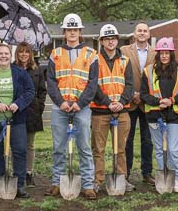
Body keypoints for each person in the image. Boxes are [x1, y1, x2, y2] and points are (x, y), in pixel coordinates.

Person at [45, 13, 99, 200]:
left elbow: (93, 83)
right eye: (69, 29)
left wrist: (79, 103)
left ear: (80, 31)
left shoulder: (91, 54)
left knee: (84, 147)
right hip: (60, 107)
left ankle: (87, 185)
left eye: (75, 29)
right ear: (64, 32)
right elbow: (50, 81)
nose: (72, 33)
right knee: (58, 147)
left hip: (81, 107)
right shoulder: (55, 53)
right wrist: (60, 102)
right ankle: (56, 183)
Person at [0, 43, 35, 199]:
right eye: (0, 54)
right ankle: (1, 181)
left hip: (16, 120)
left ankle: (20, 185)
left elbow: (30, 91)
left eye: (6, 54)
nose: (3, 56)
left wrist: (18, 104)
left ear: (11, 56)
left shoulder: (20, 73)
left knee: (20, 151)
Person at [141, 37, 178, 193]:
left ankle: (176, 180)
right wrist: (158, 101)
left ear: (172, 54)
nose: (164, 56)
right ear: (158, 54)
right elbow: (143, 94)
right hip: (155, 116)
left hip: (174, 115)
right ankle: (163, 178)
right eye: (161, 53)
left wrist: (171, 101)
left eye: (167, 53)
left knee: (173, 150)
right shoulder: (148, 72)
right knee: (160, 150)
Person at [90, 24, 133, 192]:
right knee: (98, 149)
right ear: (101, 41)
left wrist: (121, 102)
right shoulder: (95, 59)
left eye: (113, 38)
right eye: (107, 39)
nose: (110, 42)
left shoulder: (125, 60)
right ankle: (98, 179)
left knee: (121, 148)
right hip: (100, 111)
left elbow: (129, 84)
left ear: (117, 40)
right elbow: (92, 85)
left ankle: (121, 178)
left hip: (121, 111)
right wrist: (107, 102)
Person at [120, 21, 156, 186]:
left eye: (145, 31)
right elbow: (121, 75)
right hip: (130, 101)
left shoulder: (156, 53)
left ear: (149, 34)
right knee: (128, 139)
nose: (142, 33)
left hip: (147, 102)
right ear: (134, 34)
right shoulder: (124, 51)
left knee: (147, 140)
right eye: (139, 30)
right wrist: (131, 94)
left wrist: (144, 95)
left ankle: (147, 172)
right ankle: (125, 172)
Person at [14, 42, 47, 187]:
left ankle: (28, 173)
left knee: (29, 144)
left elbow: (42, 91)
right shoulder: (12, 69)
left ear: (30, 54)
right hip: (16, 110)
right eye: (21, 52)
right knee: (17, 144)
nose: (23, 54)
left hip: (32, 111)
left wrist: (39, 107)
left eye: (26, 52)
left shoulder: (37, 69)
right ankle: (17, 172)